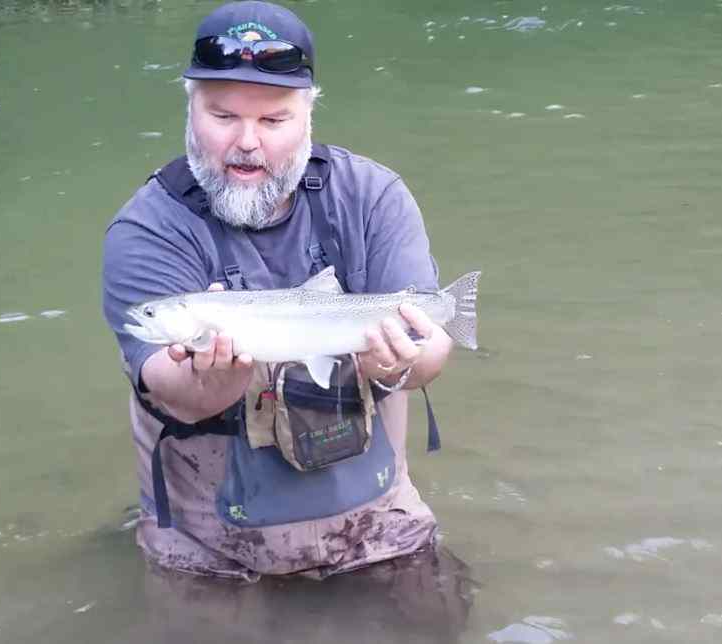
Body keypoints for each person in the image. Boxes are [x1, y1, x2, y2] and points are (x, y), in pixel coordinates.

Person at [102, 1, 458, 586]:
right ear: (189, 109)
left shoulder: (372, 196)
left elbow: (432, 351)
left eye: (273, 121)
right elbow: (165, 383)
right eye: (222, 116)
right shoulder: (146, 230)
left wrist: (404, 362)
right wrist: (207, 385)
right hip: (208, 546)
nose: (247, 143)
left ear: (308, 117)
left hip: (378, 527)